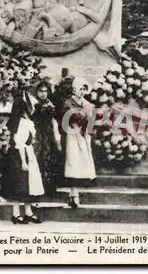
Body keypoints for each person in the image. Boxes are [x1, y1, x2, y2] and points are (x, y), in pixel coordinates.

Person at [2, 91, 45, 224]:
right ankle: (16, 214)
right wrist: (23, 161)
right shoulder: (22, 123)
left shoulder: (25, 122)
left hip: (27, 152)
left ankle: (28, 212)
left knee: (28, 186)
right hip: (20, 155)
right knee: (20, 185)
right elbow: (19, 143)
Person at [58, 77, 97, 209]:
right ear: (74, 89)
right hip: (71, 135)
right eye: (80, 89)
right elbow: (63, 119)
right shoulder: (67, 103)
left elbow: (91, 122)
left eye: (84, 89)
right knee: (72, 161)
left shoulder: (88, 104)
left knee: (82, 162)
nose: (82, 91)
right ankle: (73, 193)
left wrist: (87, 130)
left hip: (83, 136)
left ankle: (76, 193)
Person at [32, 79, 62, 197]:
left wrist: (56, 138)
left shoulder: (50, 105)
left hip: (48, 134)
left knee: (49, 158)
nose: (43, 93)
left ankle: (48, 187)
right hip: (36, 132)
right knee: (37, 157)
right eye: (40, 91)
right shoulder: (33, 104)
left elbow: (54, 122)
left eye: (45, 91)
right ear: (36, 92)